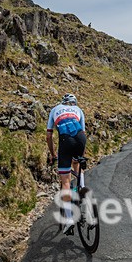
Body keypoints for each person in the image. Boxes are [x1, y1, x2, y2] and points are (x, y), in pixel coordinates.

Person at [47, 93, 86, 235]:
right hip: (80, 139)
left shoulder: (54, 110)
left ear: (63, 102)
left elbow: (49, 135)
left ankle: (69, 220)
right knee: (77, 164)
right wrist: (81, 155)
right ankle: (82, 187)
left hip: (65, 141)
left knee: (65, 181)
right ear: (74, 103)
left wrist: (53, 154)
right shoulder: (79, 110)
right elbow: (83, 132)